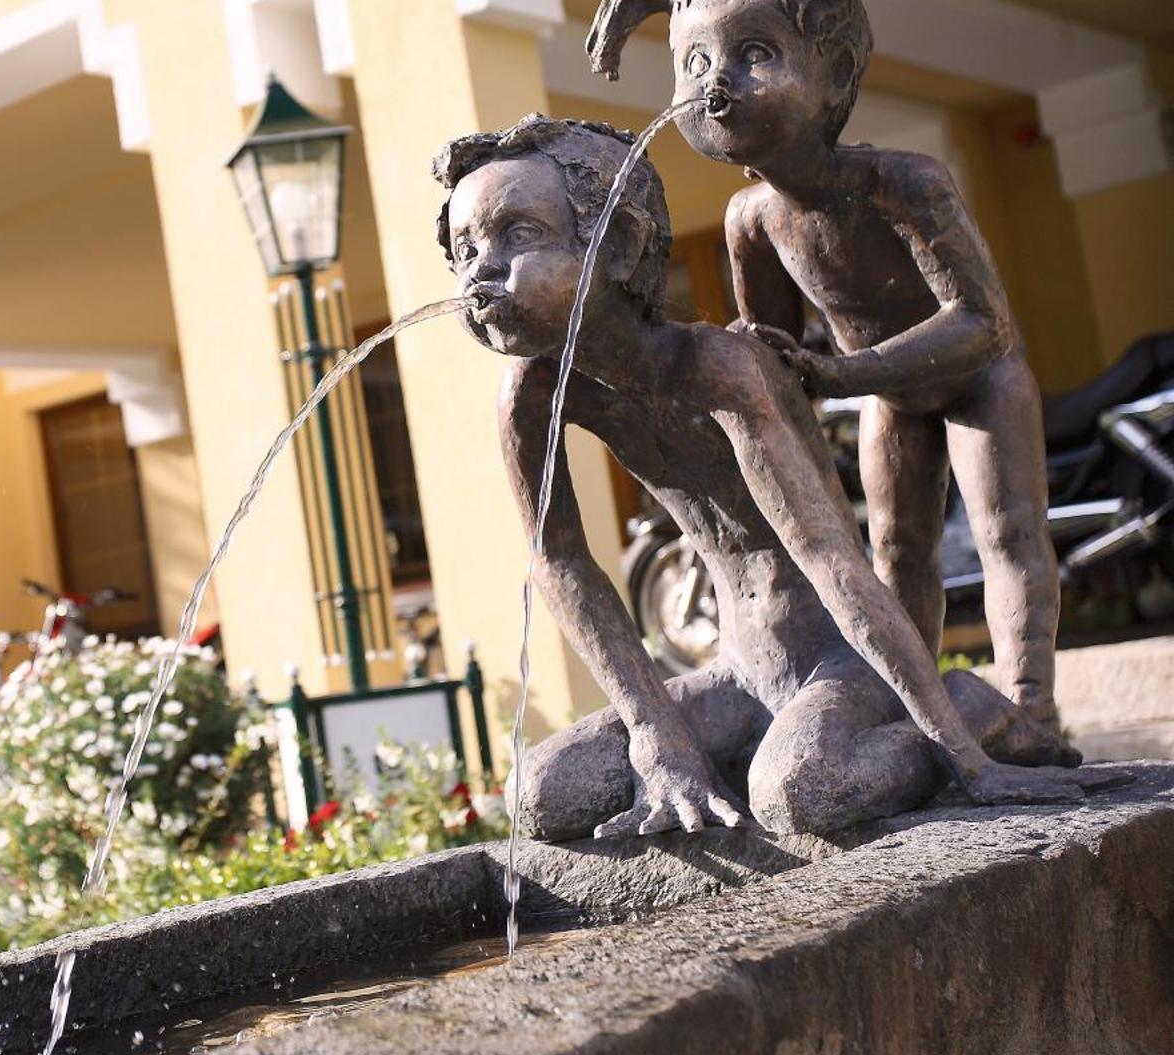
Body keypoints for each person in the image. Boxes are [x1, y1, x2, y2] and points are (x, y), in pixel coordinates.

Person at [434, 115, 1115, 839]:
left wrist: (970, 762)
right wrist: (654, 731)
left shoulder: (720, 370)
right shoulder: (532, 395)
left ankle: (966, 714)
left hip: (842, 661)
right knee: (543, 793)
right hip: (740, 672)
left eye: (519, 235)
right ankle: (761, 746)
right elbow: (561, 559)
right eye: (465, 249)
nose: (480, 269)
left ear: (622, 244)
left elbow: (831, 559)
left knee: (798, 793)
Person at [584, 0, 1061, 728]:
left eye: (754, 54)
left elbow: (983, 323)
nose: (714, 84)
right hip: (886, 396)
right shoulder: (751, 221)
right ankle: (916, 718)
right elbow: (773, 354)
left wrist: (846, 373)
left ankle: (1031, 709)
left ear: (836, 71)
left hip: (978, 381)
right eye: (695, 62)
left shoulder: (905, 184)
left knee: (1009, 533)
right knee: (896, 552)